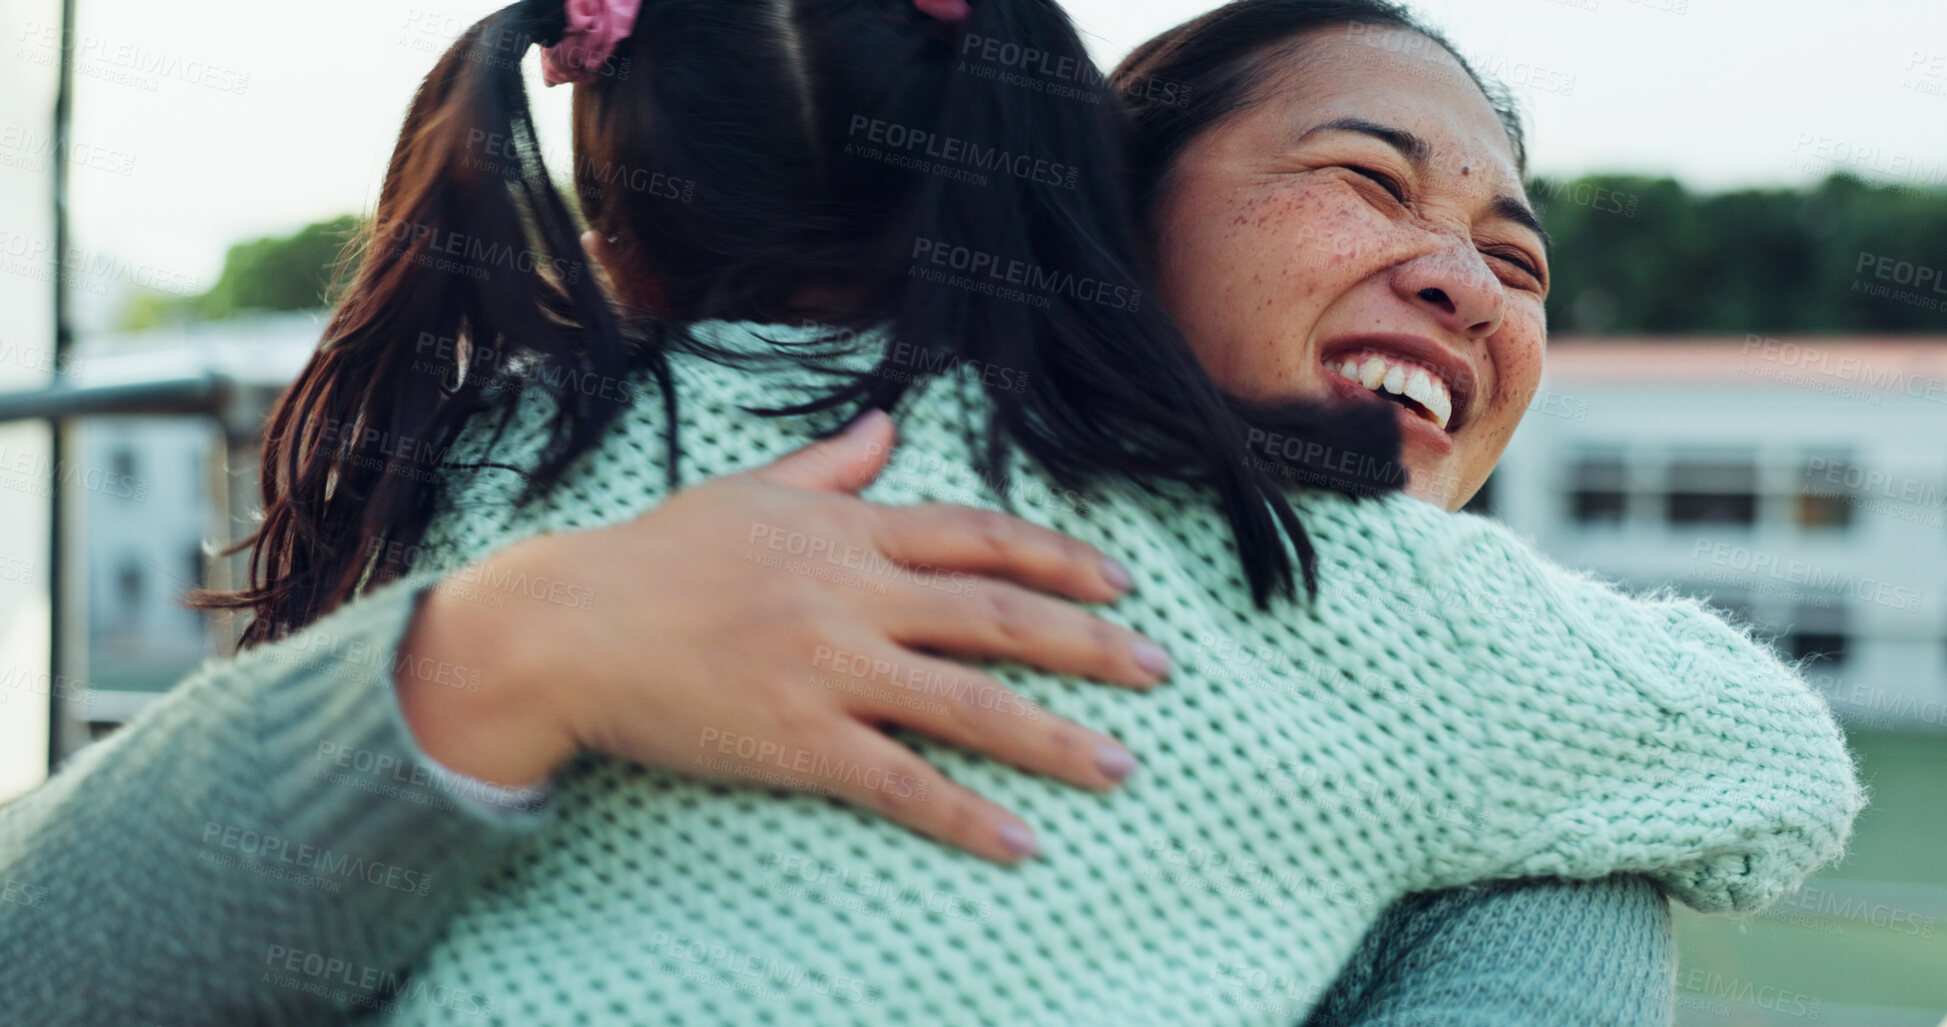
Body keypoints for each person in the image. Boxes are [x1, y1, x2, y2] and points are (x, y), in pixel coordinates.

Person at [0, 0, 1859, 1024]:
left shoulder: (523, 436)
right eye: (1366, 180)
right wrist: (505, 655)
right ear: (1084, 222)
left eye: (1519, 254)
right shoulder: (1441, 650)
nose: (1469, 279)